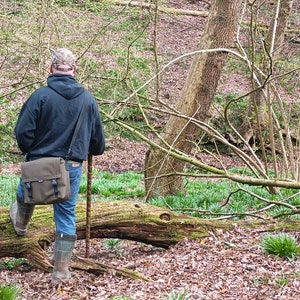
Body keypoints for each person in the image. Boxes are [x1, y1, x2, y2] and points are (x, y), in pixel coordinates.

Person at [9, 48, 105, 283]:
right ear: (74, 70)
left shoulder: (39, 96)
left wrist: (31, 150)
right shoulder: (87, 99)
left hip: (39, 162)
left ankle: (21, 224)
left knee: (25, 193)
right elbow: (98, 143)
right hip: (70, 167)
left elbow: (23, 134)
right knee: (66, 213)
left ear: (51, 69)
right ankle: (60, 272)